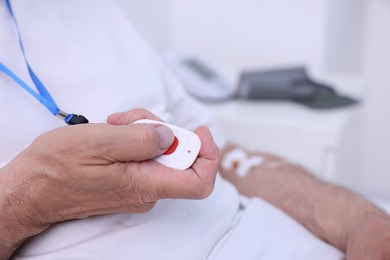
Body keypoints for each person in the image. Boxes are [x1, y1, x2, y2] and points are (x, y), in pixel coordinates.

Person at [0, 0, 389, 259]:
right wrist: (30, 198)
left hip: (267, 236)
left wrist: (359, 220)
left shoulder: (89, 10)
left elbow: (229, 156)